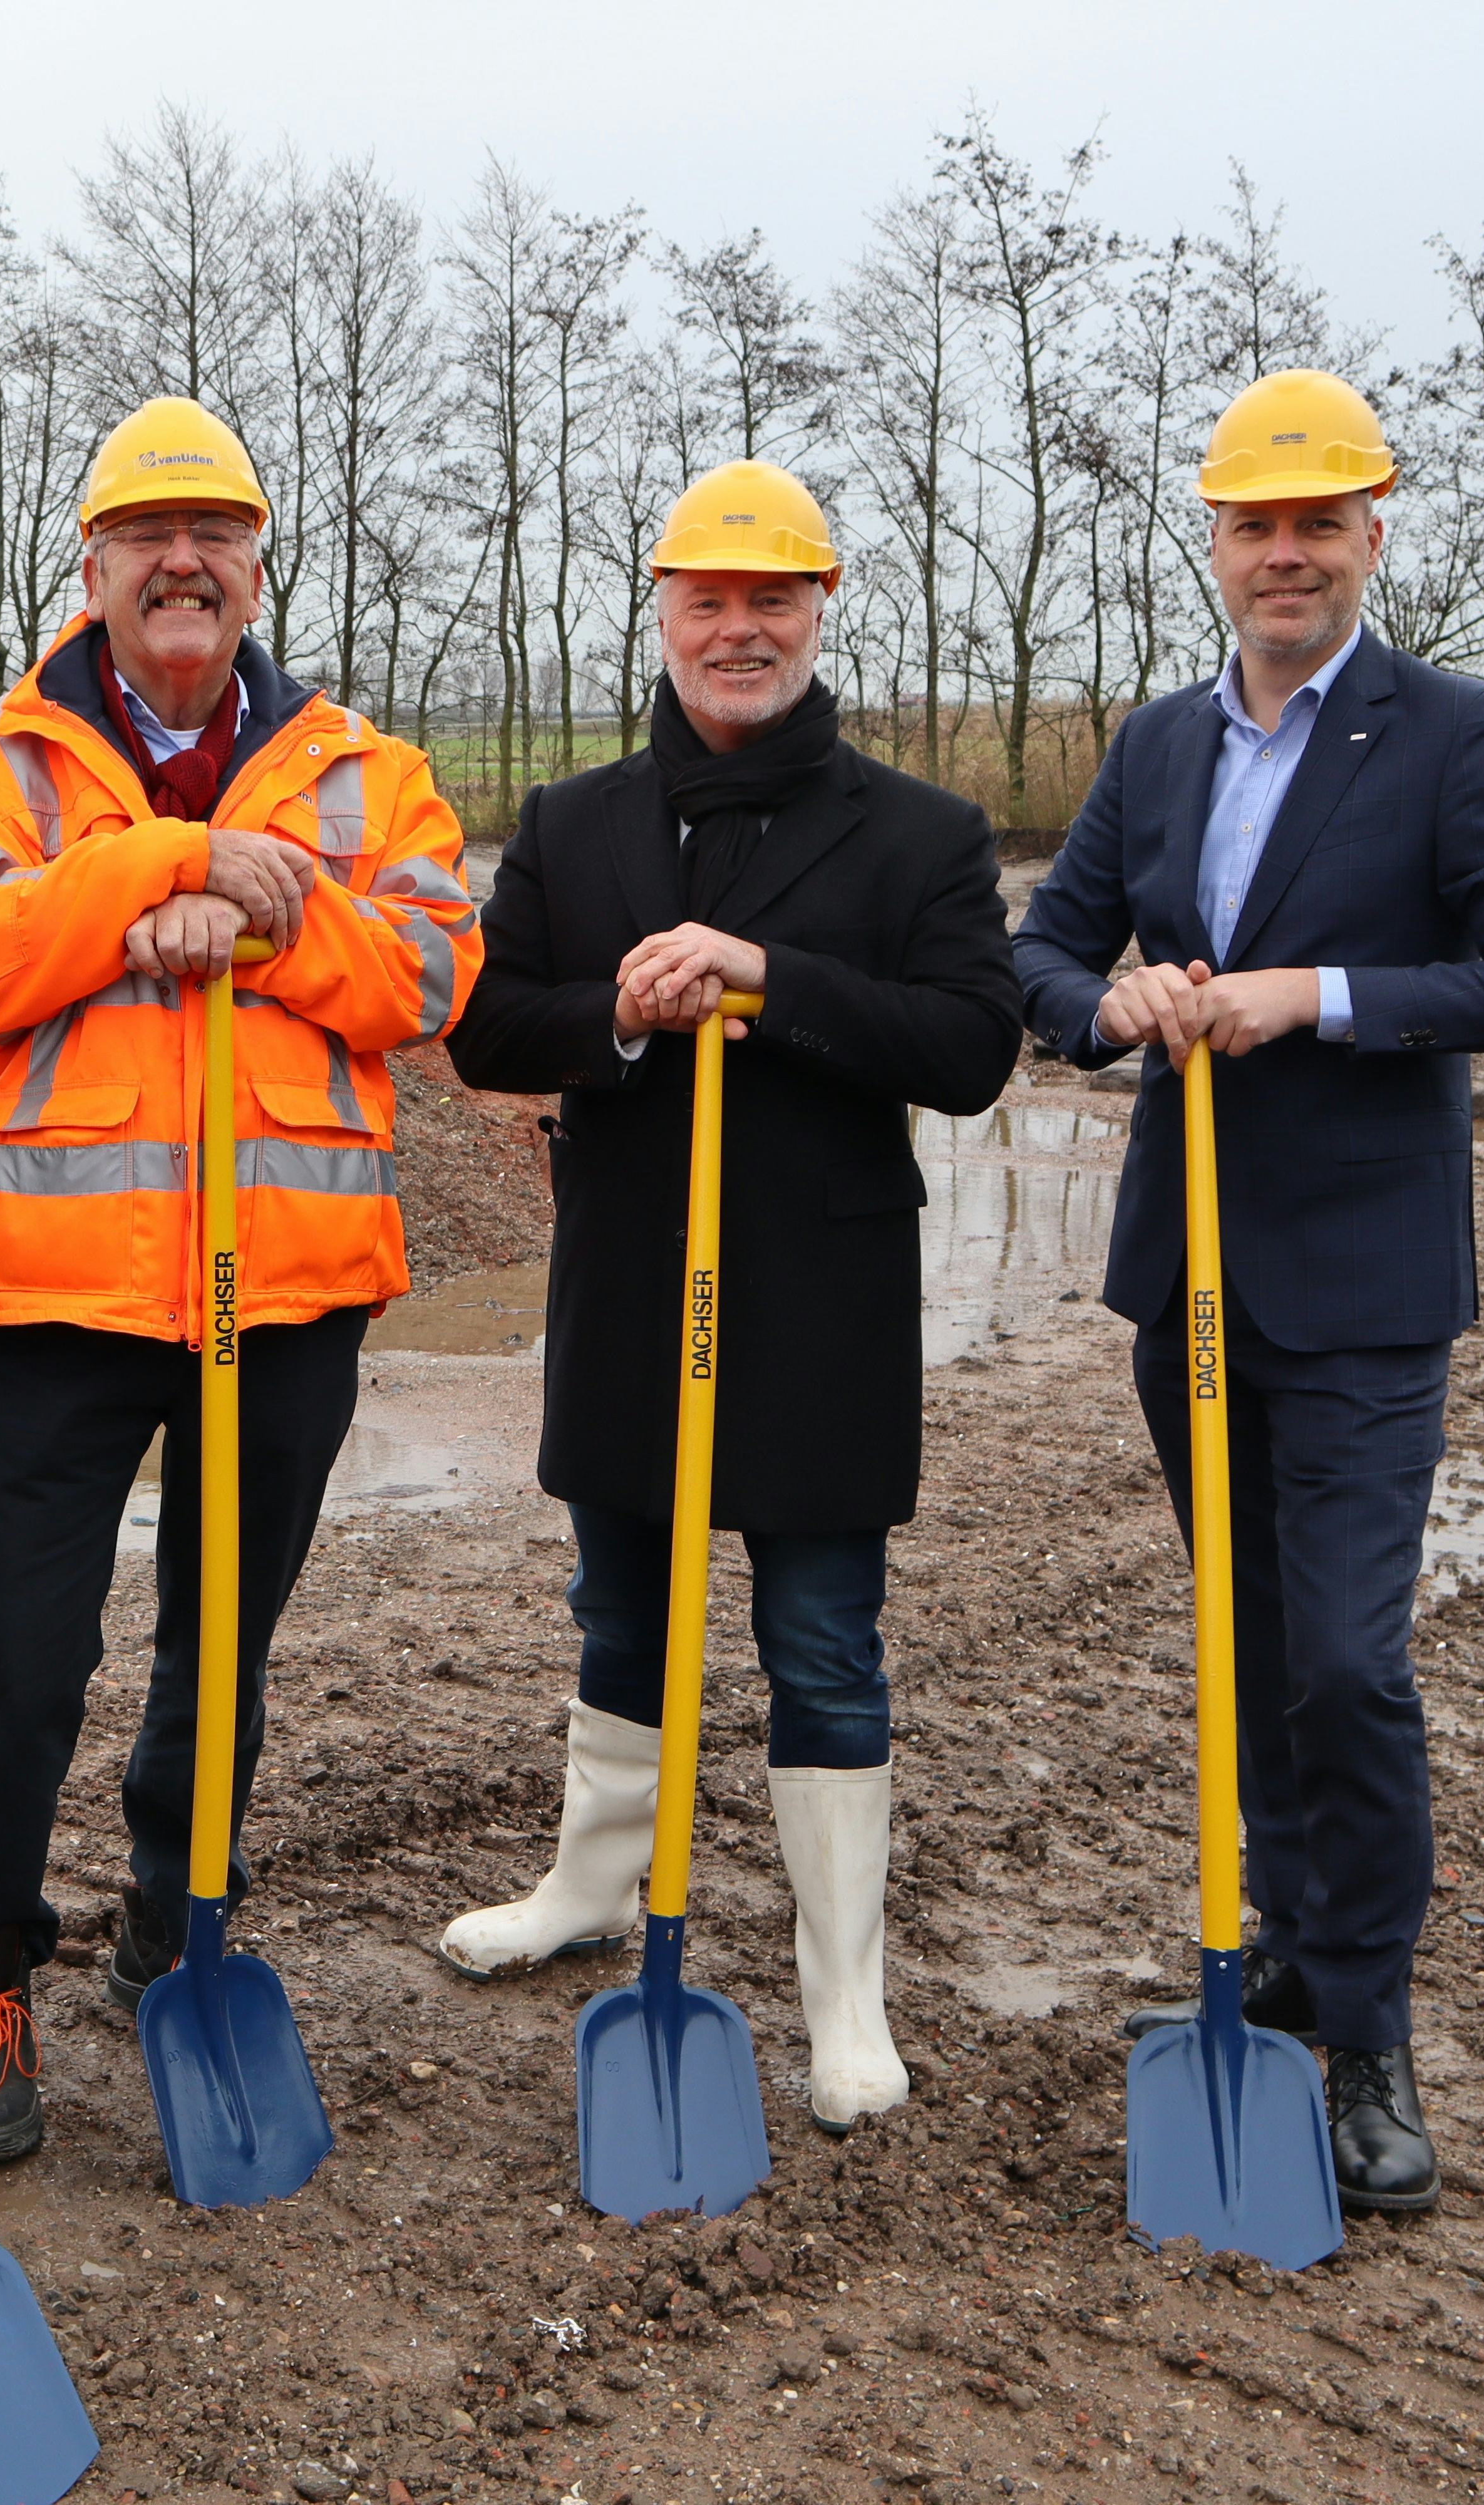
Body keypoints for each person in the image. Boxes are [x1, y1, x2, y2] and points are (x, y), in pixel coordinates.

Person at [1014, 369, 1484, 2216]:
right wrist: (1101, 1007)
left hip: (1360, 1287)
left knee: (1348, 1663)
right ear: (1215, 543)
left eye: (1317, 523)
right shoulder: (1162, 743)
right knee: (1250, 1646)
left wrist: (1316, 996)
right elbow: (1046, 938)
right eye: (1254, 525)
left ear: (1369, 537)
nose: (1285, 554)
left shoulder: (1454, 736)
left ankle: (1368, 2031)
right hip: (1188, 1279)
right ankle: (1282, 1944)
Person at [0, 397, 482, 2163]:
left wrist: (277, 911)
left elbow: (433, 976)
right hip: (55, 1302)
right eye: (148, 534)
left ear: (252, 563)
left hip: (287, 1296)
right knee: (22, 1656)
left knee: (221, 1649)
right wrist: (165, 863)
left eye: (215, 532)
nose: (182, 561)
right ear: (90, 567)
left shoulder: (365, 773)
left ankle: (178, 1902)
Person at [441, 460, 1021, 2134]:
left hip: (819, 1295)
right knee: (620, 1613)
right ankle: (584, 1889)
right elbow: (492, 1030)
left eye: (773, 599)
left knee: (823, 1641)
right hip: (633, 1280)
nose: (740, 629)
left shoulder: (919, 834)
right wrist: (615, 1021)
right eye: (709, 599)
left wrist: (768, 981)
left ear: (819, 612)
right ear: (666, 611)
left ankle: (846, 1998)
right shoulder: (577, 822)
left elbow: (972, 1048)